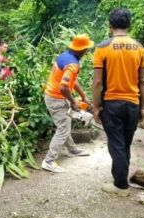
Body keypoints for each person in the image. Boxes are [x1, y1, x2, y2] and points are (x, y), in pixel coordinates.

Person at [92, 8, 144, 197]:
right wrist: (141, 107)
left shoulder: (102, 47)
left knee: (116, 144)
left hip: (112, 104)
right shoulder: (139, 48)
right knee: (125, 144)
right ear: (129, 25)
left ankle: (120, 185)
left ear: (110, 26)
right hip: (132, 103)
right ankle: (121, 180)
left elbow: (98, 82)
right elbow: (142, 82)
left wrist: (96, 106)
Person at [42, 34, 93, 173]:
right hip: (56, 98)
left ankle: (72, 149)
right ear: (82, 50)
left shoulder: (65, 56)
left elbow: (72, 81)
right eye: (87, 49)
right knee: (63, 129)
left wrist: (83, 96)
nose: (87, 51)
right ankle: (49, 161)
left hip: (55, 96)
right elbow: (64, 87)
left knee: (65, 124)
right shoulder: (72, 64)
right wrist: (73, 102)